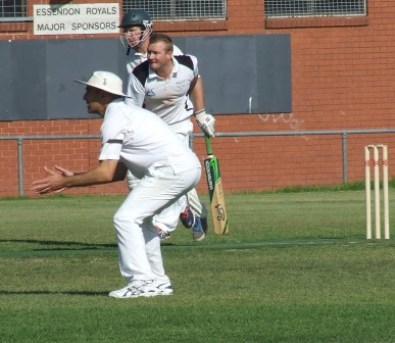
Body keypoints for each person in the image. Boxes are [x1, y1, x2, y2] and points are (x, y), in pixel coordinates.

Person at [32, 71, 201, 298]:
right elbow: (118, 173)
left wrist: (65, 182)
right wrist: (74, 177)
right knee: (141, 222)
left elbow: (105, 172)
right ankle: (158, 281)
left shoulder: (115, 118)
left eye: (88, 90)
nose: (84, 96)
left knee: (125, 218)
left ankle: (141, 281)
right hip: (185, 168)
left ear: (102, 94)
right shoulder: (125, 113)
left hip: (171, 170)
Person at [119, 10, 214, 242]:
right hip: (152, 128)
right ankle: (191, 213)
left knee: (175, 174)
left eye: (134, 30)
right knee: (139, 178)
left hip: (178, 125)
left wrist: (201, 114)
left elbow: (194, 79)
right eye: (127, 32)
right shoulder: (135, 67)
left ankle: (163, 226)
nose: (130, 36)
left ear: (146, 29)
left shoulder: (175, 56)